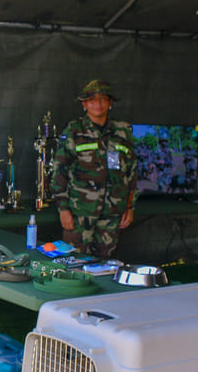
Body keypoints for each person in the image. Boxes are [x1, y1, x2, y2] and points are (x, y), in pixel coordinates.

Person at [52, 79, 137, 258]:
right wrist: (63, 209)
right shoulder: (74, 130)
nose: (98, 104)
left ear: (110, 102)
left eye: (102, 99)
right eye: (91, 100)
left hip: (112, 214)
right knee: (73, 262)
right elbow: (60, 170)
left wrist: (130, 207)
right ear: (84, 104)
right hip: (80, 213)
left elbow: (131, 172)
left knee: (104, 265)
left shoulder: (122, 131)